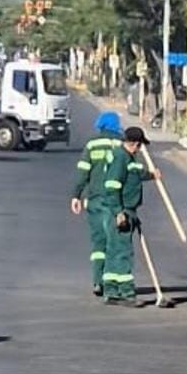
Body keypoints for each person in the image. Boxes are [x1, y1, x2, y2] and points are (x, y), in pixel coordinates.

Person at [101, 126, 160, 306]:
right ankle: (126, 293)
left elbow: (135, 173)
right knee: (123, 252)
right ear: (135, 143)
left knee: (113, 251)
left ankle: (111, 291)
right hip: (120, 211)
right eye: (140, 145)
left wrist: (151, 175)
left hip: (128, 210)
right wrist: (119, 213)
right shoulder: (120, 158)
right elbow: (112, 186)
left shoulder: (128, 158)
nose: (141, 149)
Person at [70, 110, 124, 296]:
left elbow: (83, 172)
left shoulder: (92, 145)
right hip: (116, 202)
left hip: (95, 200)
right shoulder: (122, 145)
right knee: (114, 242)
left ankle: (97, 281)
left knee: (98, 242)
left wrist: (76, 196)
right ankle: (112, 283)